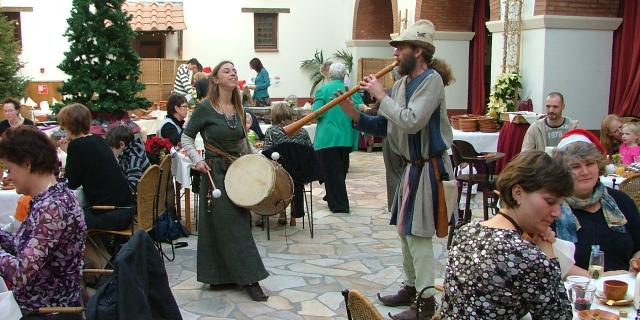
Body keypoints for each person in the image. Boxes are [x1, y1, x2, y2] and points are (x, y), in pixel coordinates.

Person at [337, 20, 455, 320]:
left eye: (400, 47)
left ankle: (427, 304)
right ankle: (412, 287)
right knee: (405, 232)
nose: (395, 52)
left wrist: (380, 95)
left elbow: (412, 119)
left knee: (419, 235)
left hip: (430, 168)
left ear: (419, 51)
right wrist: (355, 115)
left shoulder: (432, 81)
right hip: (411, 168)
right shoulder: (401, 83)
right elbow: (388, 124)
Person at [439, 151, 573, 319]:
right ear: (518, 193)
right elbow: (560, 317)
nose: (557, 213)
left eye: (560, 204)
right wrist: (548, 253)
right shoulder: (528, 256)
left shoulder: (466, 232)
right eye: (550, 201)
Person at [180, 60, 269, 301]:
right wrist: (196, 161)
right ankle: (250, 278)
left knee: (238, 220)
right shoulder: (205, 108)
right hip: (215, 172)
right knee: (225, 222)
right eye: (226, 71)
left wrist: (258, 164)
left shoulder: (240, 108)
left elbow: (243, 144)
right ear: (216, 79)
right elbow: (186, 136)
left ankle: (224, 275)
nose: (232, 74)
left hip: (237, 172)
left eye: (234, 71)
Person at [0, 126, 86, 314]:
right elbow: (24, 247)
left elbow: (20, 275)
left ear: (27, 163)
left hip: (45, 310)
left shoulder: (51, 208)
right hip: (46, 302)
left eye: (10, 169)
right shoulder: (54, 197)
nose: (9, 177)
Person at [553, 132, 640, 275]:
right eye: (575, 167)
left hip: (624, 289)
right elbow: (553, 262)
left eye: (589, 164)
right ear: (561, 172)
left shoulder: (621, 201)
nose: (585, 171)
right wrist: (602, 278)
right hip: (576, 291)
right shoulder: (553, 208)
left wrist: (636, 262)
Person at [57, 103, 134, 231]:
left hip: (111, 214)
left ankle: (86, 251)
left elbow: (71, 183)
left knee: (63, 219)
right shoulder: (98, 140)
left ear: (69, 126)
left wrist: (69, 152)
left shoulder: (76, 146)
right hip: (127, 209)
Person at [312, 62, 364, 214]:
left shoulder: (323, 90)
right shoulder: (351, 91)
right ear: (344, 76)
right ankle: (333, 196)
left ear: (329, 74)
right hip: (346, 137)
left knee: (330, 171)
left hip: (328, 137)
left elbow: (317, 113)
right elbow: (360, 110)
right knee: (340, 170)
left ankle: (339, 205)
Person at [263, 102, 313, 226]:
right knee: (296, 181)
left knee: (276, 179)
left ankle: (282, 213)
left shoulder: (272, 131)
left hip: (281, 174)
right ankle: (294, 217)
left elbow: (266, 153)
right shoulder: (302, 131)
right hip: (300, 174)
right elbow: (310, 151)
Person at [104, 125, 151, 193]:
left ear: (121, 145)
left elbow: (133, 185)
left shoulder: (134, 157)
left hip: (141, 195)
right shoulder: (126, 152)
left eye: (111, 149)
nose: (110, 153)